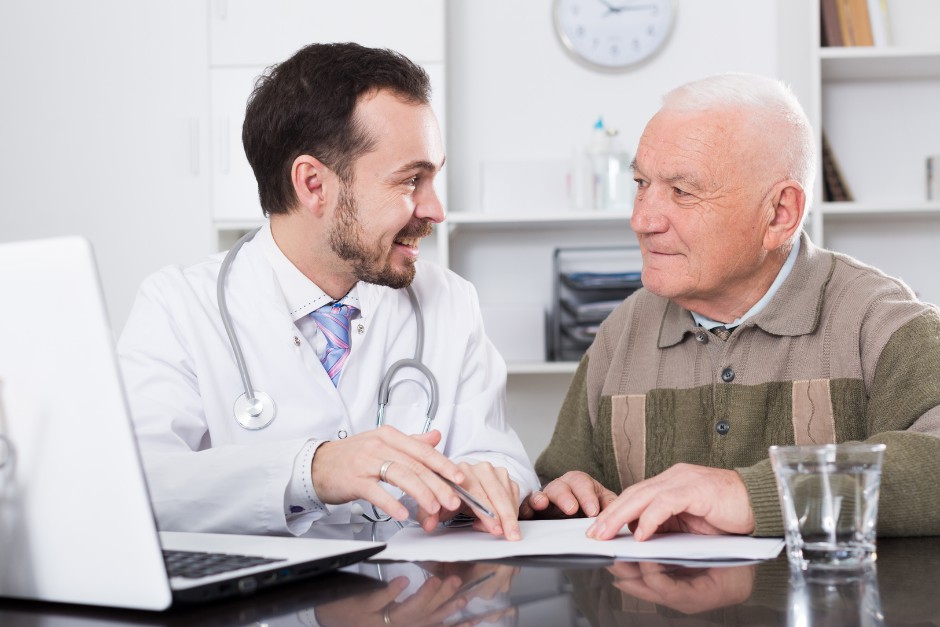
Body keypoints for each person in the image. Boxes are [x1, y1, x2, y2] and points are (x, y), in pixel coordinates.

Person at [118, 42, 538, 539]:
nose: (435, 209)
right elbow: (133, 486)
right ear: (314, 184)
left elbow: (500, 458)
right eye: (411, 181)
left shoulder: (450, 301)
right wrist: (313, 471)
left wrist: (490, 482)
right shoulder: (178, 307)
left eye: (434, 178)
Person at [521, 72, 940, 541]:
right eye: (641, 183)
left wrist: (757, 493)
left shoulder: (883, 321)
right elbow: (558, 482)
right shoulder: (621, 333)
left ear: (780, 214)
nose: (641, 219)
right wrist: (563, 496)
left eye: (682, 191)